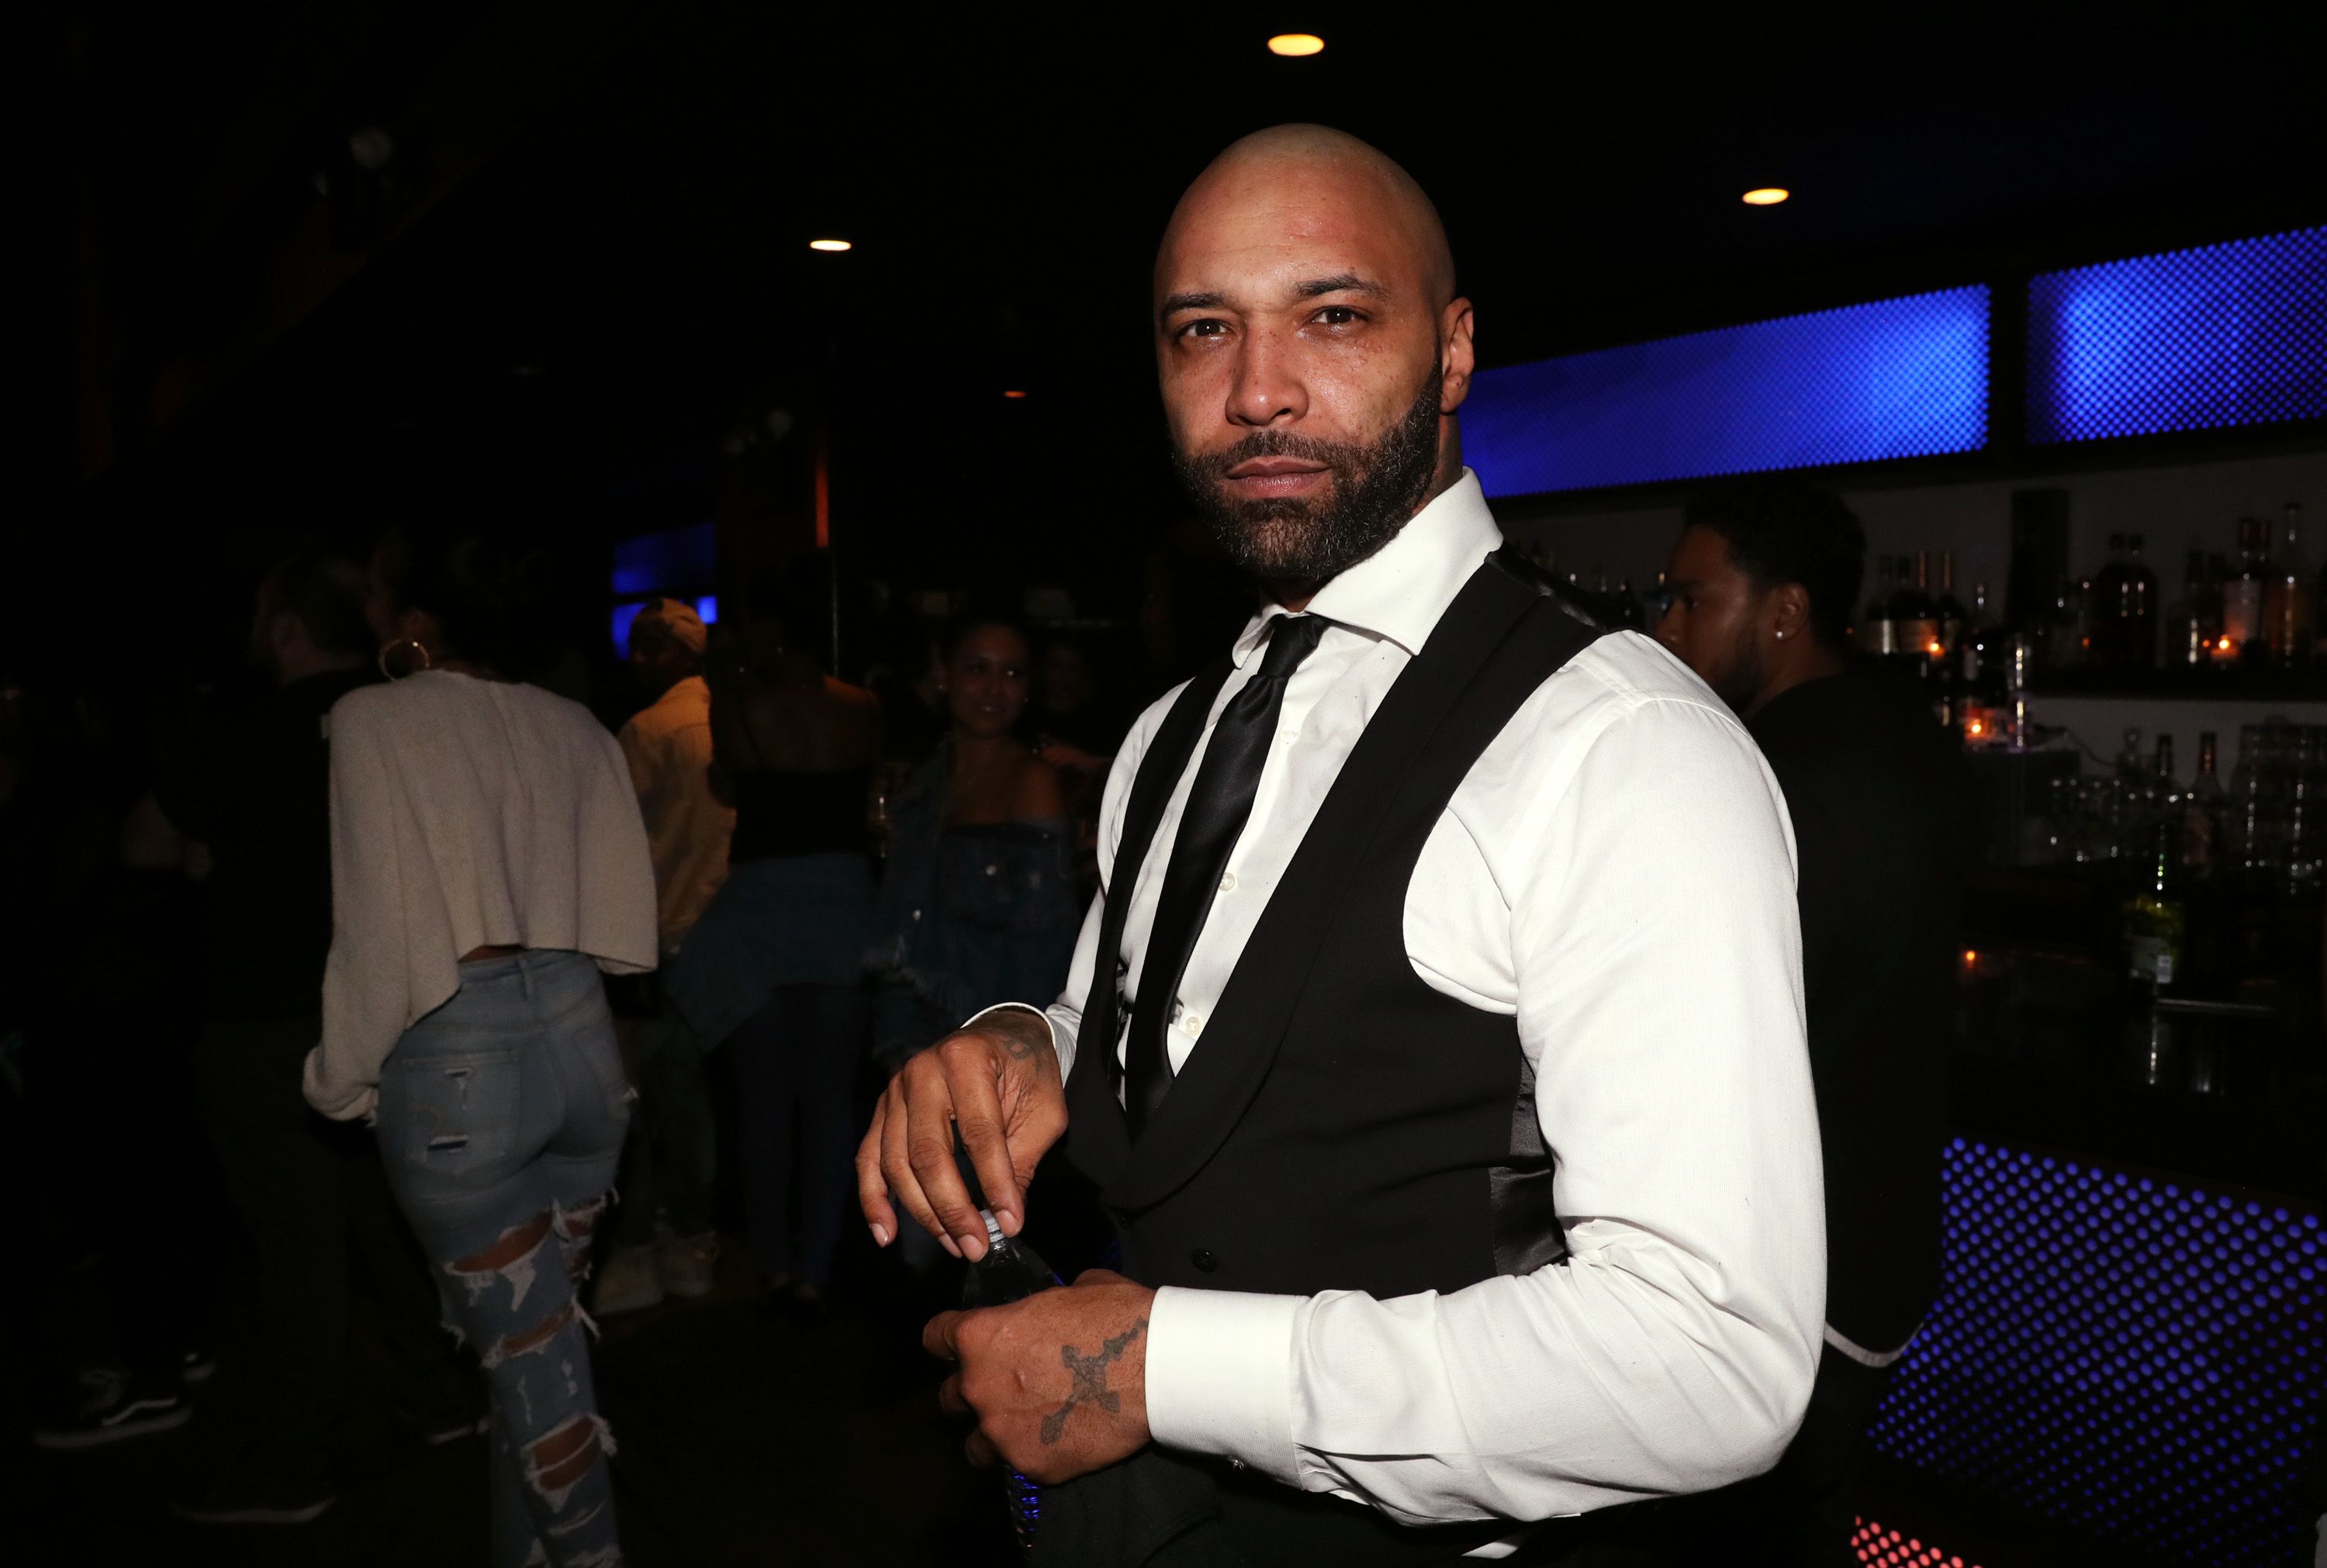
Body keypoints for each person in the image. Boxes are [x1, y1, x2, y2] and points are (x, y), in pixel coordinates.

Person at [858, 124, 1824, 1565]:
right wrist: (1032, 1039)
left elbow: (1711, 1360)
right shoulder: (1169, 732)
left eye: (1333, 316)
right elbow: (1161, 1016)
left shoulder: (1623, 748)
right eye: (1204, 329)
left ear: (1454, 350)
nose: (1257, 390)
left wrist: (1161, 1365)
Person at [303, 530, 656, 1568]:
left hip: (460, 1069)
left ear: (417, 619)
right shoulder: (575, 723)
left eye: (379, 594)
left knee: (537, 1382)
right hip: (585, 1051)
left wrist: (339, 1078)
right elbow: (621, 908)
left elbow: (380, 929)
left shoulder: (372, 718)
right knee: (532, 1370)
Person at [1651, 483, 1971, 1563]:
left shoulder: (1761, 775)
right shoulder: (1904, 730)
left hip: (1790, 1268)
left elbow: (1703, 1039)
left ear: (1784, 611)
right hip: (1880, 1247)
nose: (1668, 627)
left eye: (1694, 600)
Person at [130, 555, 480, 1523]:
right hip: (396, 1013)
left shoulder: (244, 728)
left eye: (262, 613)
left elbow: (142, 842)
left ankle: (294, 1462)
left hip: (269, 1019)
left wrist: (210, 851)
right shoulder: (406, 719)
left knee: (298, 1246)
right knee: (386, 1216)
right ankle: (442, 1397)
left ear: (287, 629)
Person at [667, 557, 882, 1317]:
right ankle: (816, 1266)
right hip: (844, 903)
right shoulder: (862, 705)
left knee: (763, 1102)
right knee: (830, 1103)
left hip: (761, 907)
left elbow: (728, 778)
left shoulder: (741, 701)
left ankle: (772, 1263)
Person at [595, 597, 734, 1314]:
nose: (637, 662)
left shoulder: (649, 731)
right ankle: (693, 1239)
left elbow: (617, 845)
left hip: (660, 942)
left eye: (649, 648)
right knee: (696, 1101)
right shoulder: (729, 722)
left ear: (678, 653)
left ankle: (660, 1242)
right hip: (725, 940)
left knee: (653, 1103)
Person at [869, 614, 1078, 1082]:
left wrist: (1019, 1053)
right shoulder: (926, 780)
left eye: (1012, 672)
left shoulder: (1031, 781)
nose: (995, 689)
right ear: (944, 675)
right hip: (911, 1030)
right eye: (977, 669)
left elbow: (1047, 944)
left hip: (989, 1040)